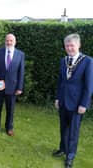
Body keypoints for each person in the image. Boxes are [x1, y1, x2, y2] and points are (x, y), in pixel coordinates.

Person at [53, 33, 93, 168]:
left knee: (73, 131)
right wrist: (57, 98)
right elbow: (60, 82)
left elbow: (89, 86)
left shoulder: (87, 61)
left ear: (78, 45)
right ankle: (62, 149)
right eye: (67, 46)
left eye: (72, 45)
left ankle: (70, 156)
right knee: (63, 128)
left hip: (77, 104)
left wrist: (84, 103)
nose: (69, 48)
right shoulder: (63, 61)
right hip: (63, 101)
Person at [0, 33, 25, 136]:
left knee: (11, 109)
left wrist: (20, 87)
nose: (9, 42)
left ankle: (9, 128)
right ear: (5, 41)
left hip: (12, 87)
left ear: (15, 42)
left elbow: (21, 72)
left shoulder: (20, 54)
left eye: (11, 41)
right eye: (7, 40)